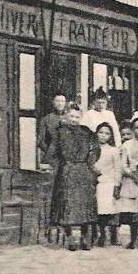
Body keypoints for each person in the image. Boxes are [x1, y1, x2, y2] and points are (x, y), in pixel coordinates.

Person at [46, 103, 101, 251]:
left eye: (77, 117)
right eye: (71, 116)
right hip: (67, 172)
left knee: (85, 206)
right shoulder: (59, 132)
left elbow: (95, 149)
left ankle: (84, 238)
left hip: (83, 171)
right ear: (65, 116)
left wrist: (90, 161)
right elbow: (51, 153)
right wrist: (60, 165)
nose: (74, 119)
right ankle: (71, 238)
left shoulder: (87, 132)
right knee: (67, 206)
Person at [119, 117, 138, 249]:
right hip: (131, 180)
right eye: (136, 128)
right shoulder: (127, 145)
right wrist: (132, 174)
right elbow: (123, 165)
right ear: (132, 130)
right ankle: (133, 239)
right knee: (133, 211)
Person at [93, 122, 122, 247]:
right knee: (96, 210)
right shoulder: (92, 148)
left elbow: (117, 169)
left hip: (108, 183)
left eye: (107, 133)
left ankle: (107, 233)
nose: (103, 136)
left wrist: (116, 185)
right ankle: (98, 233)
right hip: (94, 181)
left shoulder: (113, 151)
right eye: (101, 132)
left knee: (106, 209)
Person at [38, 93, 67, 160]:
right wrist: (50, 152)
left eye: (62, 101)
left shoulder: (70, 118)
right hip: (51, 155)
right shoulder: (46, 119)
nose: (60, 104)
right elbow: (41, 141)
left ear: (65, 103)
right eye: (57, 101)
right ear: (53, 102)